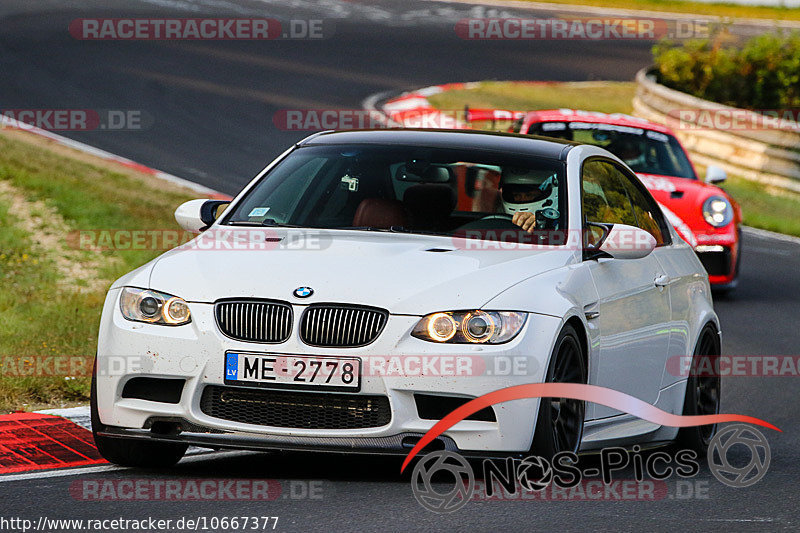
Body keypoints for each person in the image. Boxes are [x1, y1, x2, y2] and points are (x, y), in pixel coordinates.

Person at [499, 168, 559, 233]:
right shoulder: (496, 219)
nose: (522, 199)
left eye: (529, 195)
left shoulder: (563, 223)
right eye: (516, 195)